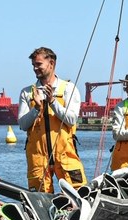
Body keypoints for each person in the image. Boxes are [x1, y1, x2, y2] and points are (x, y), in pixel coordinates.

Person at [17, 47, 87, 193]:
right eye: (33, 65)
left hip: (65, 156)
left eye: (38, 64)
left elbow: (71, 119)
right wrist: (36, 109)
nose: (35, 68)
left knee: (78, 196)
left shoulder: (68, 88)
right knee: (40, 202)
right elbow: (23, 125)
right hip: (38, 159)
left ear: (51, 63)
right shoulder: (27, 92)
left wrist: (53, 102)